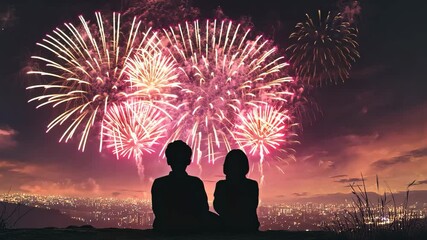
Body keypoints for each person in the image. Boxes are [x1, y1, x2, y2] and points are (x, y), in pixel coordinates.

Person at [151, 140, 210, 232]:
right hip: (192, 228)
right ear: (189, 161)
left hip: (166, 229)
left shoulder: (159, 184)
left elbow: (159, 212)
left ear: (168, 161)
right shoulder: (196, 183)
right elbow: (203, 211)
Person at [214, 149, 260, 232]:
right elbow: (251, 207)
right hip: (249, 224)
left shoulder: (221, 185)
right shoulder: (252, 185)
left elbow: (218, 206)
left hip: (228, 224)